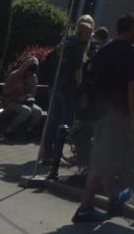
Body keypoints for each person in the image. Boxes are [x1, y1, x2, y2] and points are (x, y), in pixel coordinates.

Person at [73, 14, 134, 225]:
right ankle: (84, 207)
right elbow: (132, 88)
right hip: (117, 113)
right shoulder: (131, 52)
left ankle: (113, 199)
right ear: (128, 29)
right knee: (102, 160)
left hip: (98, 111)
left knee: (107, 156)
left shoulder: (105, 48)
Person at [40, 14, 94, 165]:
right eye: (88, 34)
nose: (89, 37)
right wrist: (79, 88)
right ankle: (56, 155)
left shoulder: (65, 42)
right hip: (68, 88)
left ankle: (47, 153)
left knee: (53, 120)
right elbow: (78, 72)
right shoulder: (78, 46)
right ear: (84, 33)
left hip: (55, 85)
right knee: (64, 123)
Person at [1, 55, 43, 140]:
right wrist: (16, 87)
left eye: (32, 72)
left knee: (38, 111)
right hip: (10, 102)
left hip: (25, 101)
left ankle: (27, 131)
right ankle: (8, 130)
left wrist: (27, 96)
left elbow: (33, 93)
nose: (30, 74)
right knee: (26, 111)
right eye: (29, 71)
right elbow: (5, 92)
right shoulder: (14, 75)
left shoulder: (33, 77)